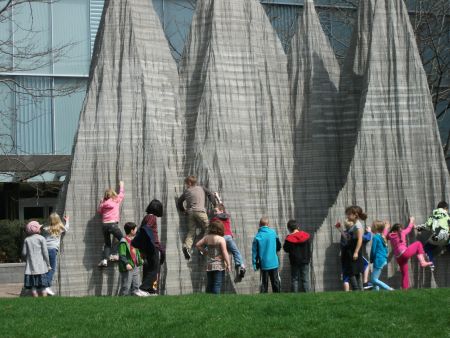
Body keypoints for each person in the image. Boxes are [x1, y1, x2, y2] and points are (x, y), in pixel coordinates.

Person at [177, 175, 216, 260]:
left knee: (191, 231)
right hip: (200, 211)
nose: (186, 185)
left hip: (190, 213)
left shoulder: (186, 191)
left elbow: (179, 202)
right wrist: (215, 204)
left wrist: (183, 210)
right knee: (208, 228)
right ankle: (202, 245)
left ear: (189, 183)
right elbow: (210, 195)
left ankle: (187, 247)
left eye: (186, 183)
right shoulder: (202, 188)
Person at [387, 217, 433, 289]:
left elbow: (385, 234)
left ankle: (405, 290)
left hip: (398, 258)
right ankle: (423, 262)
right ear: (399, 229)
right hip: (404, 253)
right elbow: (409, 228)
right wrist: (411, 220)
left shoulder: (390, 235)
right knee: (418, 243)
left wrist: (386, 227)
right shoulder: (402, 232)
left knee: (405, 273)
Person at [210, 203, 246, 282]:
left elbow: (210, 227)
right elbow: (222, 208)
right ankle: (241, 265)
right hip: (229, 237)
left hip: (221, 238)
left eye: (216, 211)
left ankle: (225, 268)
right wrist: (218, 198)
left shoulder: (215, 219)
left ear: (221, 211)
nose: (214, 213)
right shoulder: (226, 216)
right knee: (235, 252)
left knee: (223, 253)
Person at [136, 199, 165, 295]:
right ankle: (143, 289)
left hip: (147, 247)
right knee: (153, 269)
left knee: (148, 268)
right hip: (152, 247)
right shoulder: (152, 218)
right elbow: (146, 229)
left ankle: (150, 290)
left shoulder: (147, 217)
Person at [196, 220, 231, 294]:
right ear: (220, 229)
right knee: (217, 283)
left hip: (209, 264)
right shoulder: (221, 239)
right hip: (219, 265)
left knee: (210, 283)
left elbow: (197, 245)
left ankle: (208, 298)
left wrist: (205, 251)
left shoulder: (207, 237)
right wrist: (228, 264)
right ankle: (216, 300)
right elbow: (224, 252)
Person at [41, 213, 70, 296]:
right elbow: (67, 228)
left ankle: (44, 285)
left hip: (44, 250)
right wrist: (67, 220)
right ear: (58, 220)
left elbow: (42, 234)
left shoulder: (46, 228)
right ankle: (46, 286)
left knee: (46, 268)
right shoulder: (60, 228)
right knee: (52, 268)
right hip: (53, 250)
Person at [97, 180, 125, 267]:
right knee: (123, 240)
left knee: (107, 244)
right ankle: (116, 255)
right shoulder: (116, 201)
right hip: (113, 224)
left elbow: (99, 211)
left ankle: (105, 260)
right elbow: (121, 194)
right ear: (113, 195)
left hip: (104, 225)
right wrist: (121, 186)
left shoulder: (103, 204)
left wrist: (101, 202)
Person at [337, 206, 364, 291]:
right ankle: (360, 290)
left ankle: (357, 289)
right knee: (354, 271)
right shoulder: (354, 225)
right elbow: (348, 238)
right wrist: (340, 229)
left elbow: (360, 239)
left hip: (354, 250)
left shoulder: (358, 226)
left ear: (355, 215)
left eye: (349, 214)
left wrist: (356, 252)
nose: (347, 216)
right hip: (350, 250)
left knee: (352, 271)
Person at [252, 217, 281, 293]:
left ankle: (264, 299)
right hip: (274, 262)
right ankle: (278, 297)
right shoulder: (273, 233)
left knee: (264, 283)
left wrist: (255, 264)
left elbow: (254, 252)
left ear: (259, 225)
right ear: (268, 224)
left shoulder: (257, 236)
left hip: (263, 263)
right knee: (275, 281)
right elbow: (279, 246)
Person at [22, 221, 51, 297]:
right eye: (39, 228)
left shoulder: (27, 240)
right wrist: (48, 264)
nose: (40, 229)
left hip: (30, 268)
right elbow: (45, 253)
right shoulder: (42, 238)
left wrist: (27, 259)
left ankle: (35, 298)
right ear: (36, 229)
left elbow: (24, 253)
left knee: (33, 286)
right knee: (43, 286)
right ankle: (44, 299)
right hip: (41, 267)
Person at [416, 201, 450, 266]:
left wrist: (417, 227)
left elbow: (427, 226)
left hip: (436, 238)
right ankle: (446, 248)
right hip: (446, 237)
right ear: (445, 208)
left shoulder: (433, 216)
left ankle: (431, 263)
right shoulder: (447, 217)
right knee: (447, 241)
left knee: (426, 248)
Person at [283, 220, 311, 292]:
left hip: (294, 261)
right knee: (305, 280)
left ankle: (294, 296)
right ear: (298, 227)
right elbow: (309, 248)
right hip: (305, 260)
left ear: (289, 228)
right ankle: (308, 297)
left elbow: (285, 249)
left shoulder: (289, 238)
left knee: (294, 279)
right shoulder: (306, 236)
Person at [118, 222, 146, 296]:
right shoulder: (123, 241)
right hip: (128, 267)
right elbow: (122, 255)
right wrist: (127, 263)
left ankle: (134, 303)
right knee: (126, 287)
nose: (137, 231)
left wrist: (140, 260)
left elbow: (136, 252)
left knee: (136, 286)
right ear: (132, 231)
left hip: (135, 266)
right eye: (136, 229)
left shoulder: (134, 241)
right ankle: (121, 302)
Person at [369, 220, 394, 291]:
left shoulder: (375, 237)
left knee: (374, 279)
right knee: (374, 277)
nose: (371, 227)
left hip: (378, 260)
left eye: (372, 226)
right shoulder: (382, 237)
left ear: (375, 228)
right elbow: (386, 250)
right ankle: (376, 292)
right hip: (382, 259)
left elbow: (373, 250)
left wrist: (371, 259)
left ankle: (389, 289)